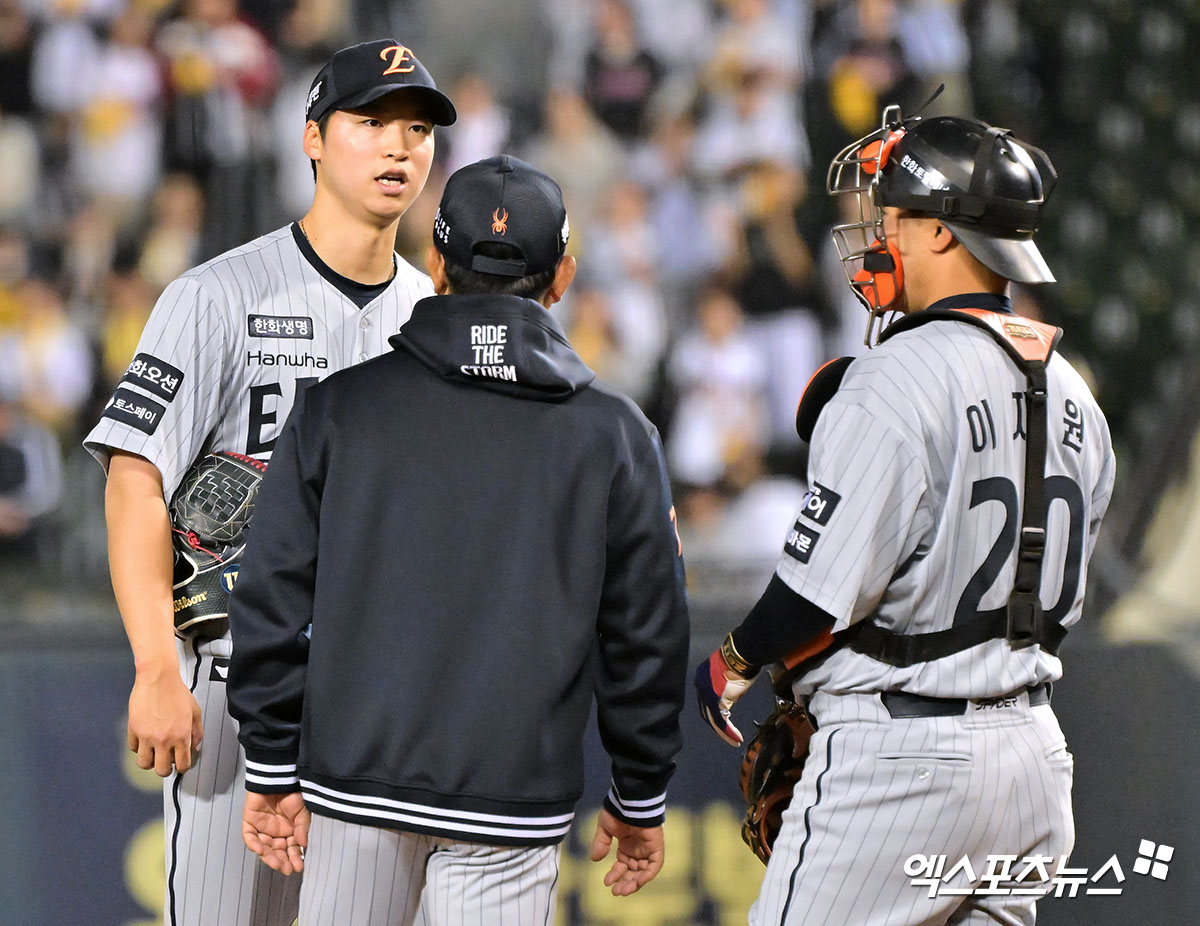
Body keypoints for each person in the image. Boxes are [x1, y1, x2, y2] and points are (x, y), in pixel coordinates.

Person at [224, 155, 690, 926]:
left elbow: (270, 594)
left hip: (355, 784)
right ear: (563, 277)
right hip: (512, 797)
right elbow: (647, 634)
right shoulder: (616, 433)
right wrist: (639, 790)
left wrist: (271, 761)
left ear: (435, 263)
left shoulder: (340, 407)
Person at [695, 106, 1116, 925]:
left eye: (894, 213)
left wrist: (730, 663)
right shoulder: (1075, 392)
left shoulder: (894, 376)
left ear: (943, 232)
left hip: (907, 759)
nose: (879, 230)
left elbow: (815, 597)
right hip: (1034, 759)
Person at [82, 38, 456, 926]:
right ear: (313, 139)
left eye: (417, 128)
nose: (399, 146)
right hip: (231, 681)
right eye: (372, 122)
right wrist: (155, 667)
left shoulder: (435, 320)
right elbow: (135, 481)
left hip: (382, 702)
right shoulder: (217, 295)